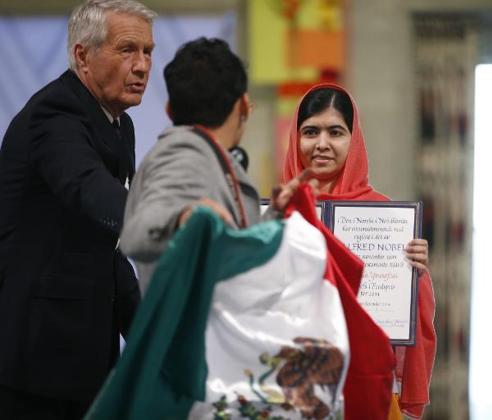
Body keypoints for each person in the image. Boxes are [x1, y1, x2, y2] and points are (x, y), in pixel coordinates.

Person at [0, 0, 155, 417]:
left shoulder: (120, 123)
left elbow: (107, 245)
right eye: (127, 50)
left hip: (88, 355)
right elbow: (88, 188)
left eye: (148, 52)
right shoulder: (55, 112)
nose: (142, 66)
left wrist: (146, 332)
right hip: (36, 360)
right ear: (82, 55)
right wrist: (169, 225)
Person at [282, 83, 436, 419]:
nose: (322, 144)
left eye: (335, 132)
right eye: (310, 132)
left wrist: (414, 277)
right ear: (296, 139)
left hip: (368, 392)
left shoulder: (388, 219)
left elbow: (407, 326)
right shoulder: (276, 216)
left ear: (353, 140)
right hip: (289, 389)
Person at [119, 37, 310, 292]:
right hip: (196, 331)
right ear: (243, 105)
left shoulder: (209, 155)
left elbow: (229, 251)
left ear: (169, 110)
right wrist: (181, 219)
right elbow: (136, 236)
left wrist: (273, 213)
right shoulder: (183, 156)